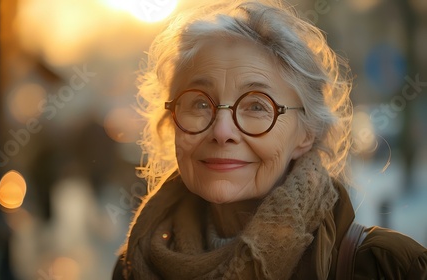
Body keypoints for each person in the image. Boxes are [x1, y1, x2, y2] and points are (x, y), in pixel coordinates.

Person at [112, 0, 427, 279]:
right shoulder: (134, 266)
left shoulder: (388, 266)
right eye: (200, 103)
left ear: (306, 134)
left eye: (256, 106)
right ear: (172, 124)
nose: (222, 132)